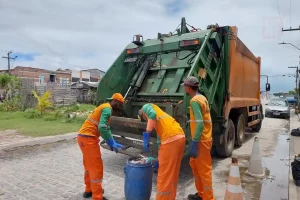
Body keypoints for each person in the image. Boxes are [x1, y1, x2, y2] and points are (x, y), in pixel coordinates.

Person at [77, 93, 126, 200]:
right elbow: (102, 128)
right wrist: (111, 142)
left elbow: (106, 128)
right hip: (89, 139)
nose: (120, 107)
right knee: (96, 167)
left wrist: (112, 141)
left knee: (88, 166)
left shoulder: (105, 107)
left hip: (83, 138)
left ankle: (89, 190)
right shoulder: (108, 109)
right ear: (116, 101)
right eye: (120, 104)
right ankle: (97, 196)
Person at [138, 103, 186, 200]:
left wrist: (146, 136)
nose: (147, 120)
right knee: (172, 173)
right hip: (180, 137)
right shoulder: (161, 117)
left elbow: (151, 115)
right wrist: (159, 160)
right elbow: (161, 142)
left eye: (145, 119)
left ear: (142, 114)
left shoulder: (146, 107)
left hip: (171, 139)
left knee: (164, 176)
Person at [183, 76, 215, 200]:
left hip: (201, 140)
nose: (184, 88)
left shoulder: (195, 101)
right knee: (194, 165)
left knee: (204, 171)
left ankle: (208, 197)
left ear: (189, 87)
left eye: (185, 86)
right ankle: (202, 194)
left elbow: (200, 123)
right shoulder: (202, 98)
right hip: (203, 139)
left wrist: (195, 142)